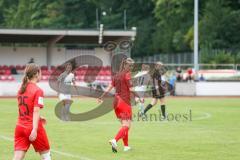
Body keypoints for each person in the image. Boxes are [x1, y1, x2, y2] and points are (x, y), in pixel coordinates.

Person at [98, 57, 141, 153]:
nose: (131, 67)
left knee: (125, 125)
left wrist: (102, 96)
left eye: (132, 66)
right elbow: (131, 89)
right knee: (127, 125)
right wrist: (139, 97)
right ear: (125, 65)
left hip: (116, 102)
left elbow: (110, 87)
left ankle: (126, 146)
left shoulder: (117, 75)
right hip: (124, 102)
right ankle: (115, 140)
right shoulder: (127, 75)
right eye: (130, 65)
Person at [13, 63, 51, 160]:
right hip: (32, 128)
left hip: (20, 127)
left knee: (17, 158)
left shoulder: (21, 89)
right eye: (40, 72)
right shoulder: (38, 90)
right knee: (46, 156)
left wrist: (39, 117)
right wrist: (34, 129)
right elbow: (35, 111)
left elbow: (25, 109)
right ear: (36, 74)